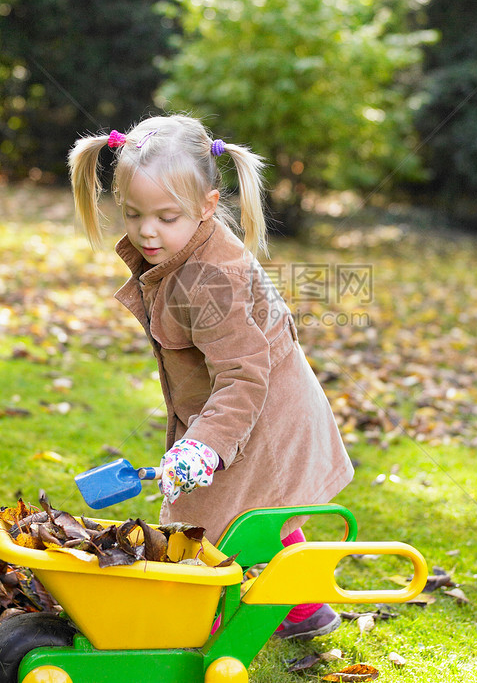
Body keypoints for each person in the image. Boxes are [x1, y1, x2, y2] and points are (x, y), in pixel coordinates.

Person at [68, 114, 354, 640]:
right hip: (246, 409)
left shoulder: (210, 278)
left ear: (204, 205)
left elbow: (243, 378)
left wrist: (205, 447)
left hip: (257, 416)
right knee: (259, 513)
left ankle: (200, 622)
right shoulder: (183, 248)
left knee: (208, 527)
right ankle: (304, 609)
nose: (147, 230)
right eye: (132, 214)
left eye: (166, 216)